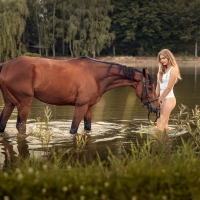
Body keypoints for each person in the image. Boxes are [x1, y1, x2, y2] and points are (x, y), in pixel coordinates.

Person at [155, 49, 182, 137]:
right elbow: (158, 86)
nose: (162, 60)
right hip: (162, 99)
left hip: (169, 99)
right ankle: (166, 147)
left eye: (164, 58)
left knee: (159, 125)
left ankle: (160, 145)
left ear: (169, 57)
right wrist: (155, 99)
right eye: (160, 59)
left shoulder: (174, 69)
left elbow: (168, 88)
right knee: (164, 125)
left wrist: (159, 99)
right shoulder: (161, 70)